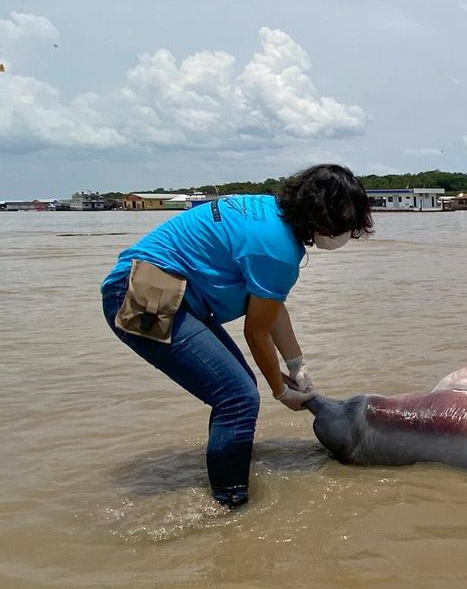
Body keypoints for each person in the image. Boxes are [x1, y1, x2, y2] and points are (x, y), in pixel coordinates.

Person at [100, 164, 374, 507]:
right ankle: (230, 502)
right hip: (145, 295)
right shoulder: (276, 248)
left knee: (239, 388)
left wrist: (297, 366)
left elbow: (271, 307)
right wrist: (279, 390)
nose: (347, 234)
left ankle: (229, 470)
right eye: (347, 225)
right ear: (325, 216)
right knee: (238, 397)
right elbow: (256, 331)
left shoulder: (268, 213)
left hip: (154, 286)